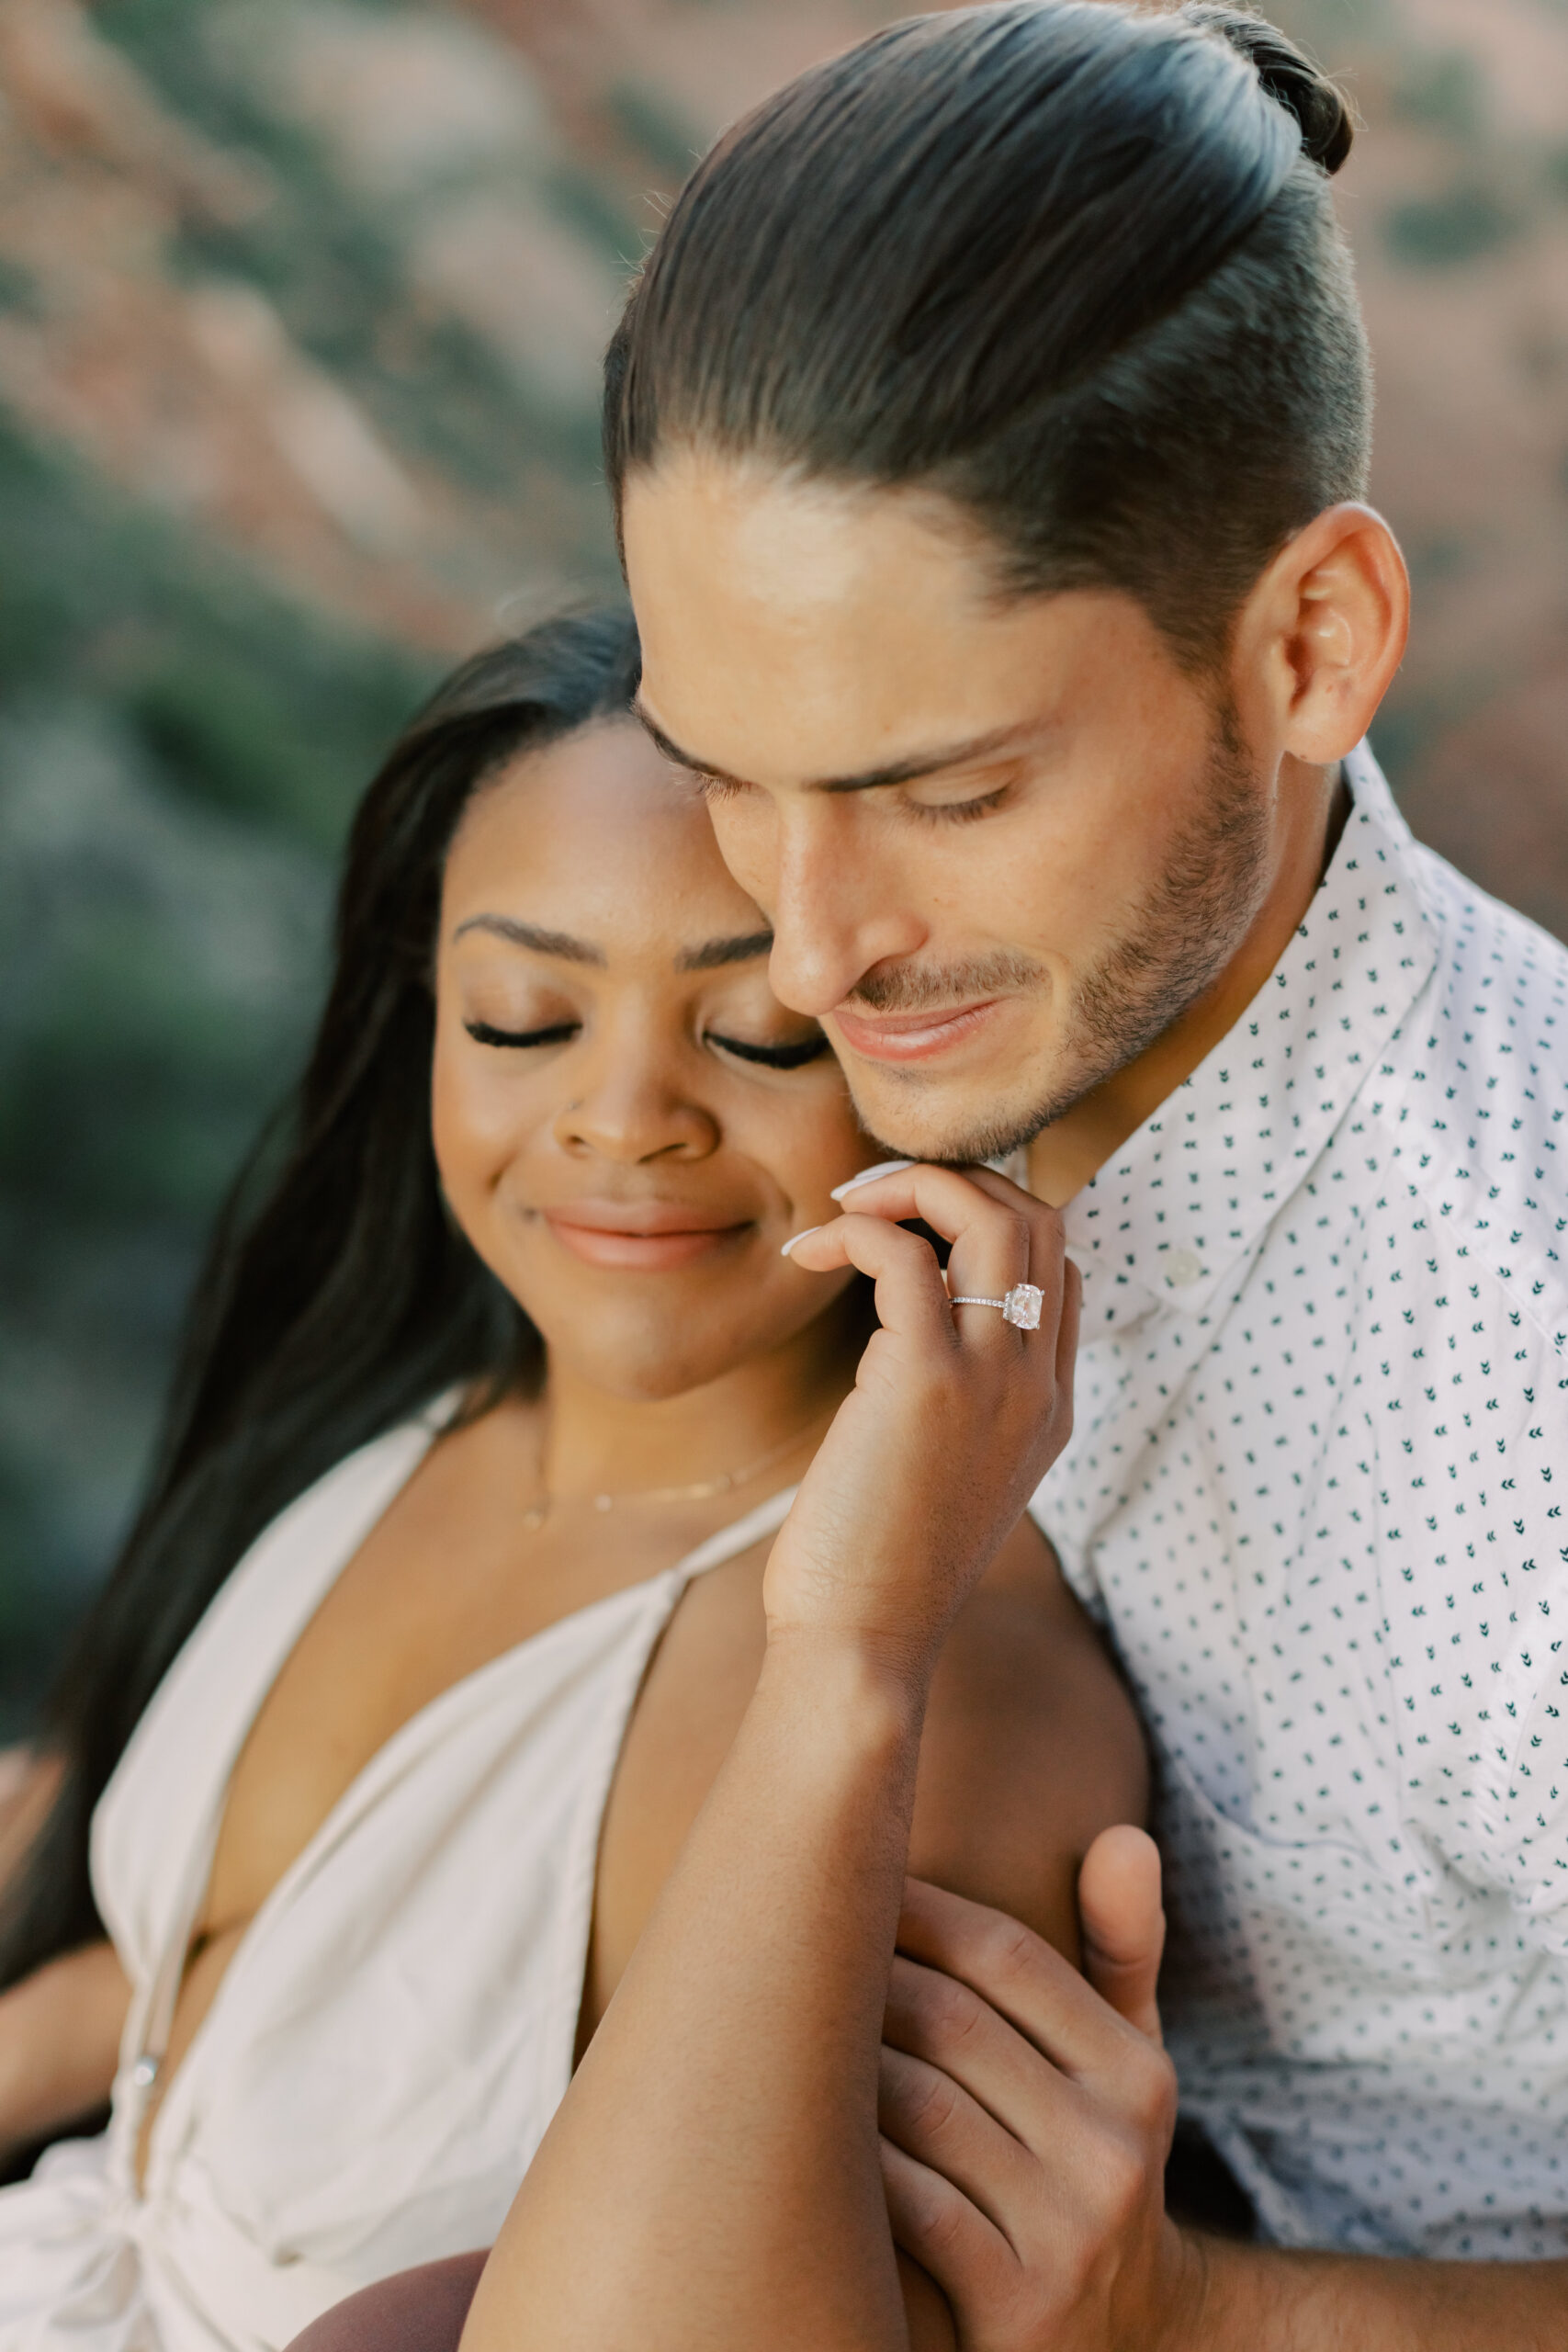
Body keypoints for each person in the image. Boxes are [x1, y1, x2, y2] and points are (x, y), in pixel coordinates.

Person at [390, 2, 1568, 2346]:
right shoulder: (878, 998)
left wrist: (1210, 2316)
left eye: (940, 789)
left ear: (1310, 641)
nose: (808, 945)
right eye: (734, 768)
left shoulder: (1511, 1407)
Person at [0, 608, 1149, 2349]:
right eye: (524, 1016)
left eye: (758, 1035)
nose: (621, 1118)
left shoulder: (947, 1698)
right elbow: (173, 1998)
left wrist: (856, 1652)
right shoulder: (393, 1416)